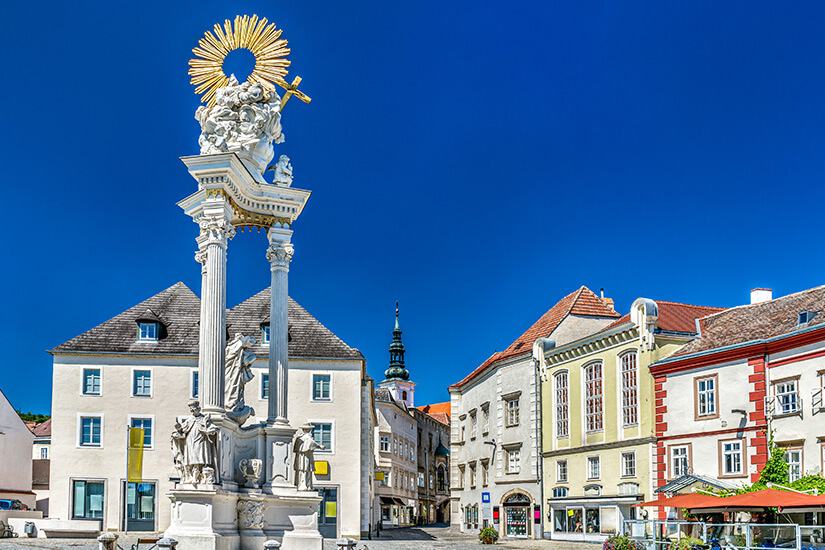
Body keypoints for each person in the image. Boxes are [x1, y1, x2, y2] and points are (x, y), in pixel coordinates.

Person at [171, 399, 219, 484]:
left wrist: (211, 431)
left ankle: (196, 478)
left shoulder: (204, 419)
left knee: (198, 459)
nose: (192, 412)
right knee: (190, 461)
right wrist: (178, 427)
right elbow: (182, 429)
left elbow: (214, 428)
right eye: (191, 410)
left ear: (198, 409)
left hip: (200, 442)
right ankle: (190, 477)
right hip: (190, 442)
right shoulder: (189, 419)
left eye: (193, 410)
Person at [293, 424, 324, 491]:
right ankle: (305, 485)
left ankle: (301, 484)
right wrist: (320, 447)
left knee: (302, 470)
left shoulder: (299, 437)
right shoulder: (307, 437)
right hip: (306, 456)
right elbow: (313, 444)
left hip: (301, 456)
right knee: (306, 469)